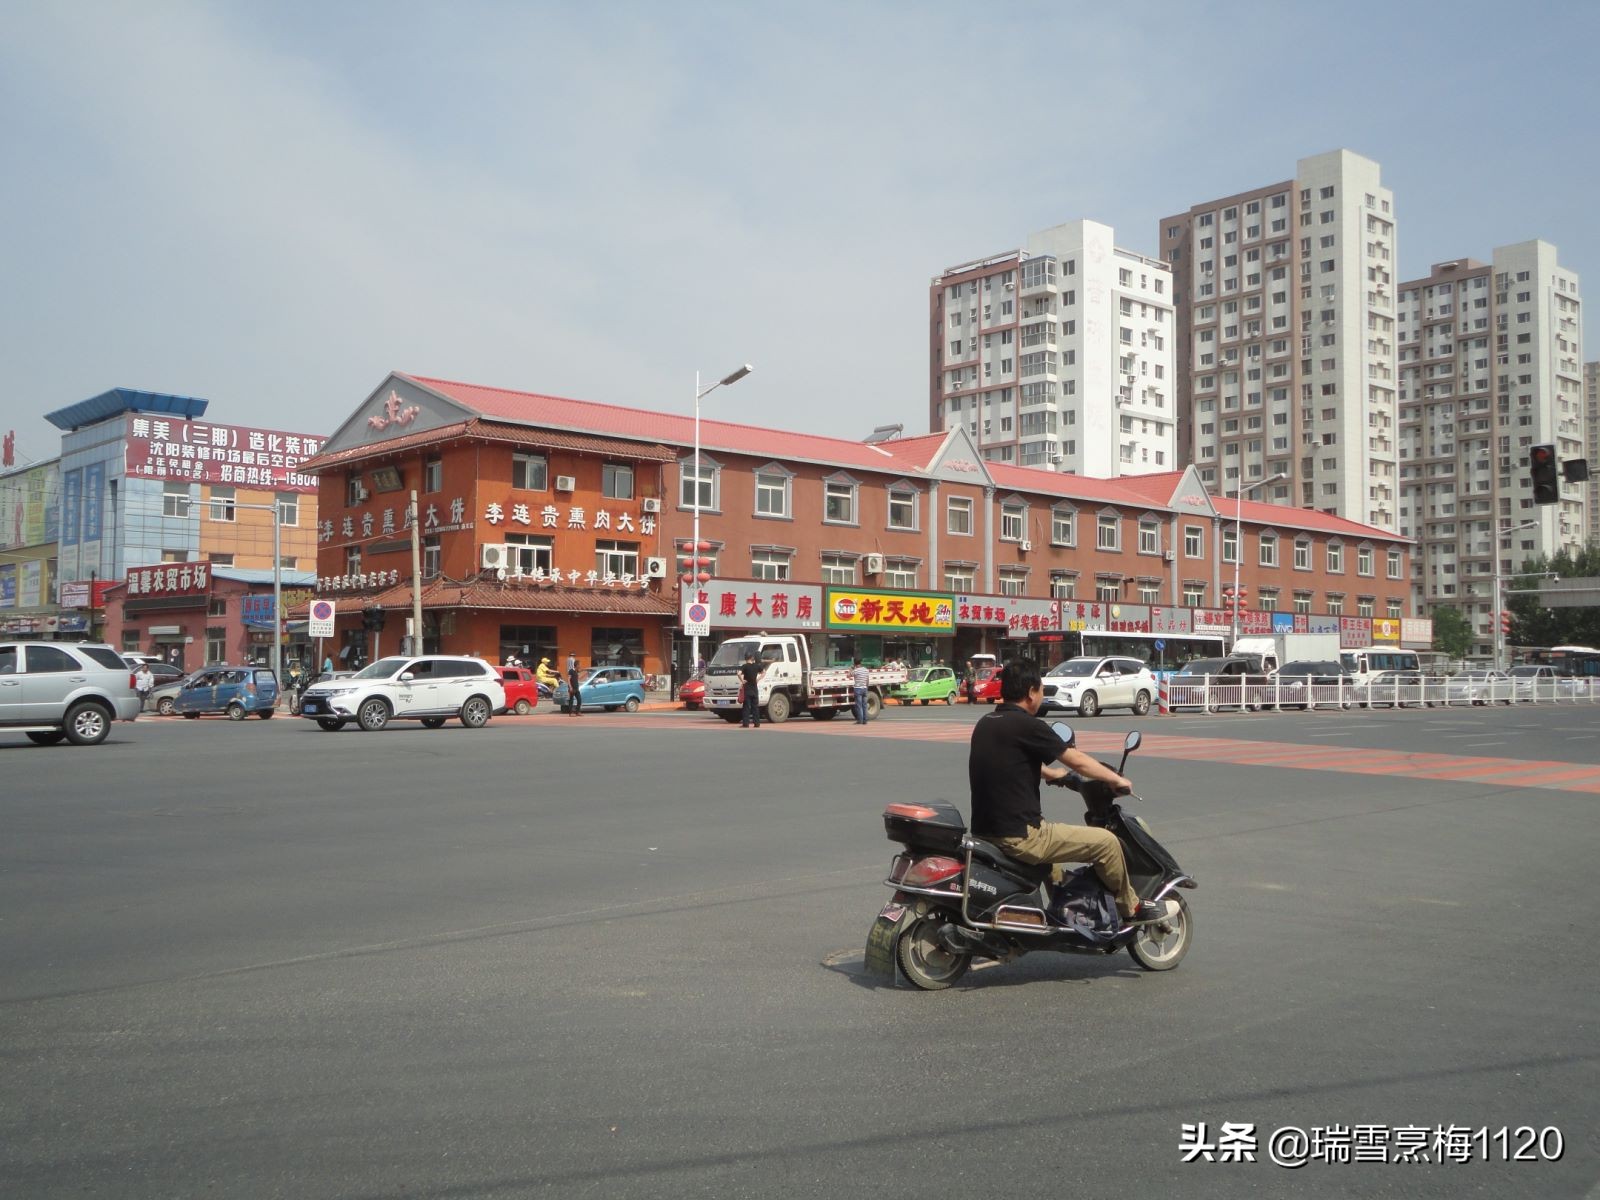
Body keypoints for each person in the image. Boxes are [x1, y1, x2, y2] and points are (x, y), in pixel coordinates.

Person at [967, 659, 1162, 926]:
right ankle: (1131, 907)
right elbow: (1076, 760)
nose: (1041, 695)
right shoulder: (1027, 725)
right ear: (1031, 692)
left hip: (985, 831)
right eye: (1041, 689)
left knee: (1054, 861)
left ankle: (1061, 915)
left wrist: (1051, 774)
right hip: (1020, 836)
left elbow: (1007, 762)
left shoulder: (987, 722)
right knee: (1106, 843)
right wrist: (1116, 779)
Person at [739, 651, 761, 728]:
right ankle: (757, 723)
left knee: (746, 707)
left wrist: (742, 681)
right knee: (755, 707)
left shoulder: (744, 666)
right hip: (754, 689)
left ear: (745, 658)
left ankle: (746, 724)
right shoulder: (756, 666)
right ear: (752, 658)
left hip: (747, 689)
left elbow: (738, 673)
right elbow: (764, 672)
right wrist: (758, 679)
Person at [851, 657, 870, 725]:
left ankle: (860, 720)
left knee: (859, 706)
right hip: (864, 688)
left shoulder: (855, 671)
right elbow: (867, 680)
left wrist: (851, 669)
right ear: (861, 662)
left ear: (854, 663)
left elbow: (848, 675)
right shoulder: (865, 670)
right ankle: (865, 720)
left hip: (858, 689)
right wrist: (866, 688)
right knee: (864, 705)